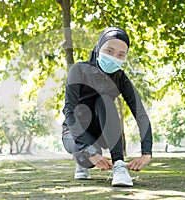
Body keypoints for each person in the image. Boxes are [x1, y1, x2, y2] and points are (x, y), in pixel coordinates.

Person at [61, 26, 153, 187]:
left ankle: (119, 165)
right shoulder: (78, 70)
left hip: (101, 130)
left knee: (104, 99)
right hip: (74, 132)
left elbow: (141, 115)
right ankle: (81, 161)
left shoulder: (120, 78)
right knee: (88, 158)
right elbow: (69, 112)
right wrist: (90, 152)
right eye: (109, 51)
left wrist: (147, 153)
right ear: (98, 49)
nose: (114, 57)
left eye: (120, 55)